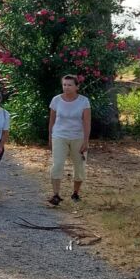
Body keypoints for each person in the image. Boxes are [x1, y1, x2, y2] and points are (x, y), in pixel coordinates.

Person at [47, 75, 91, 206]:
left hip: (78, 136)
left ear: (77, 86)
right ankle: (55, 195)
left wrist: (86, 140)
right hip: (59, 135)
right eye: (64, 84)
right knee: (58, 164)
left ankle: (76, 193)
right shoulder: (56, 100)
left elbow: (87, 122)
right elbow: (52, 120)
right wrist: (50, 136)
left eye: (70, 85)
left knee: (79, 166)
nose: (66, 87)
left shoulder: (84, 101)